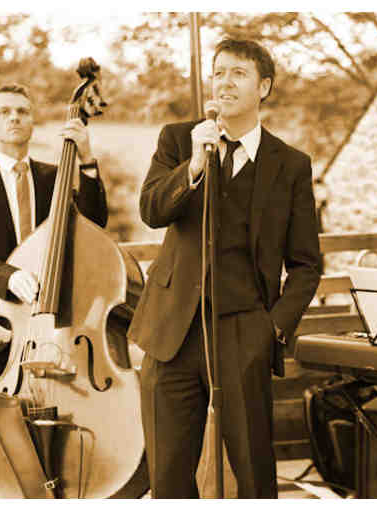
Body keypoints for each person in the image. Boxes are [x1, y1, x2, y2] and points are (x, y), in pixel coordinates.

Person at [127, 38, 322, 498]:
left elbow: (306, 264)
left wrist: (271, 330)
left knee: (254, 474)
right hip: (173, 331)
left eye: (238, 73)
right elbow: (151, 210)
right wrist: (194, 165)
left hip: (244, 332)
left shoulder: (291, 165)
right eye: (218, 73)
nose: (225, 83)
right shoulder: (178, 140)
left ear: (264, 87)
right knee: (168, 476)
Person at [0, 83, 108, 385]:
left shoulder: (55, 177)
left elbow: (94, 223)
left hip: (54, 326)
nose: (14, 117)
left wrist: (86, 159)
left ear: (32, 122)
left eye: (22, 111)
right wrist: (8, 276)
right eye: (4, 112)